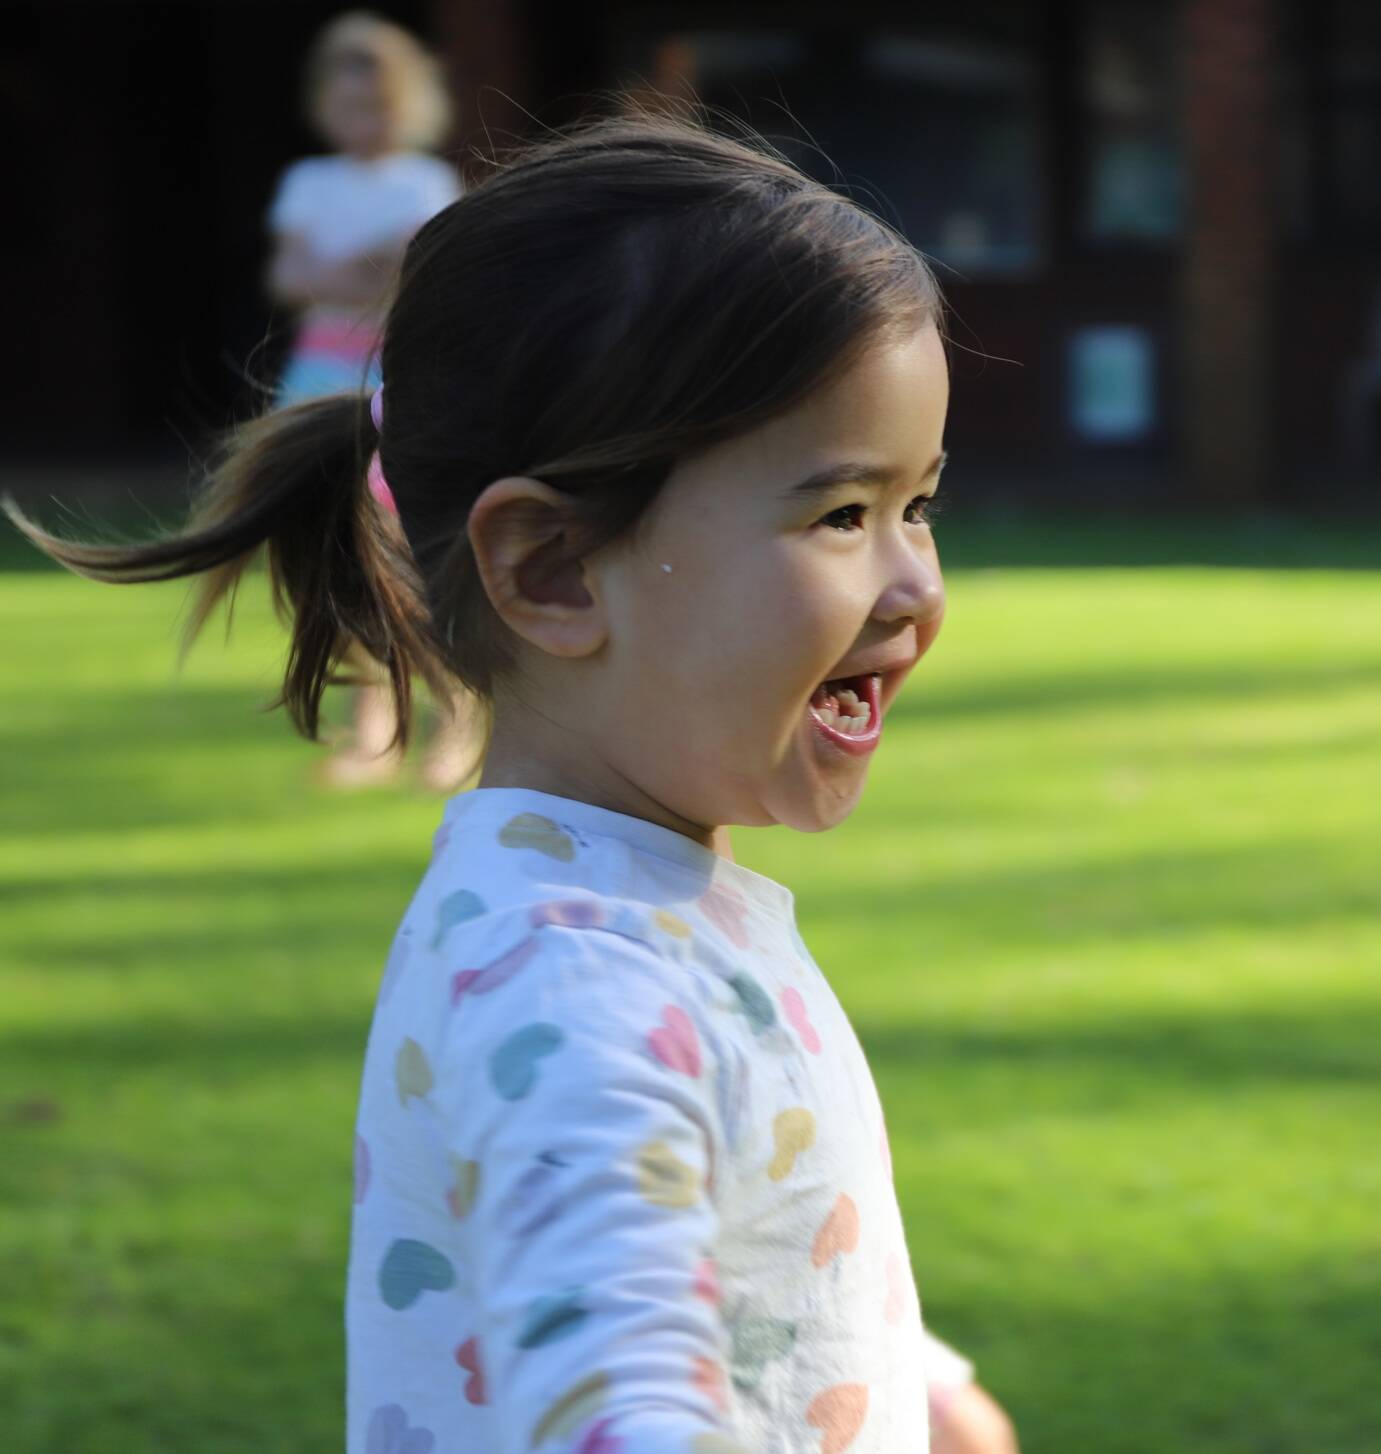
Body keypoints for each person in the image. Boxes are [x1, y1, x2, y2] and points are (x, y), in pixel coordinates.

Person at [3, 95, 1018, 1454]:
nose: (915, 583)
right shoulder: (578, 985)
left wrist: (910, 1373)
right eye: (843, 511)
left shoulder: (624, 906)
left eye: (921, 505)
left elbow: (730, 1222)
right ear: (549, 569)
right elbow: (617, 1395)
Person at [266, 8, 480, 791]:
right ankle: (373, 725)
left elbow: (415, 273)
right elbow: (295, 280)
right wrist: (362, 267)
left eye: (381, 103)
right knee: (340, 556)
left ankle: (456, 718)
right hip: (321, 381)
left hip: (397, 377)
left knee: (419, 554)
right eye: (351, 103)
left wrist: (349, 271)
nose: (366, 120)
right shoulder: (308, 182)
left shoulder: (426, 182)